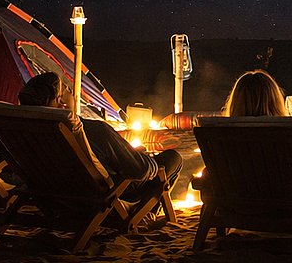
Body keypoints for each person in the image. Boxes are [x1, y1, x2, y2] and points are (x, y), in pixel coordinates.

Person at [16, 72, 182, 197]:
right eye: (67, 89)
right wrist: (144, 159)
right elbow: (140, 171)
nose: (73, 93)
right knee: (172, 158)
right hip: (99, 197)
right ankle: (149, 212)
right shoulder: (92, 130)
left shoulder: (25, 132)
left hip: (52, 195)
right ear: (61, 101)